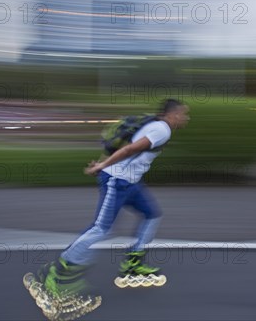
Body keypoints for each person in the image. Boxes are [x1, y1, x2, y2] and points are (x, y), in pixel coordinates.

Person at [37, 99, 189, 301]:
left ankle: (133, 263)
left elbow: (123, 145)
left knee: (152, 215)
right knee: (101, 228)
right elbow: (129, 150)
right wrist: (102, 167)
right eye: (183, 114)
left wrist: (102, 163)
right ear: (172, 114)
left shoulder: (153, 124)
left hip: (131, 183)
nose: (186, 118)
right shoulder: (162, 129)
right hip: (117, 181)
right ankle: (57, 271)